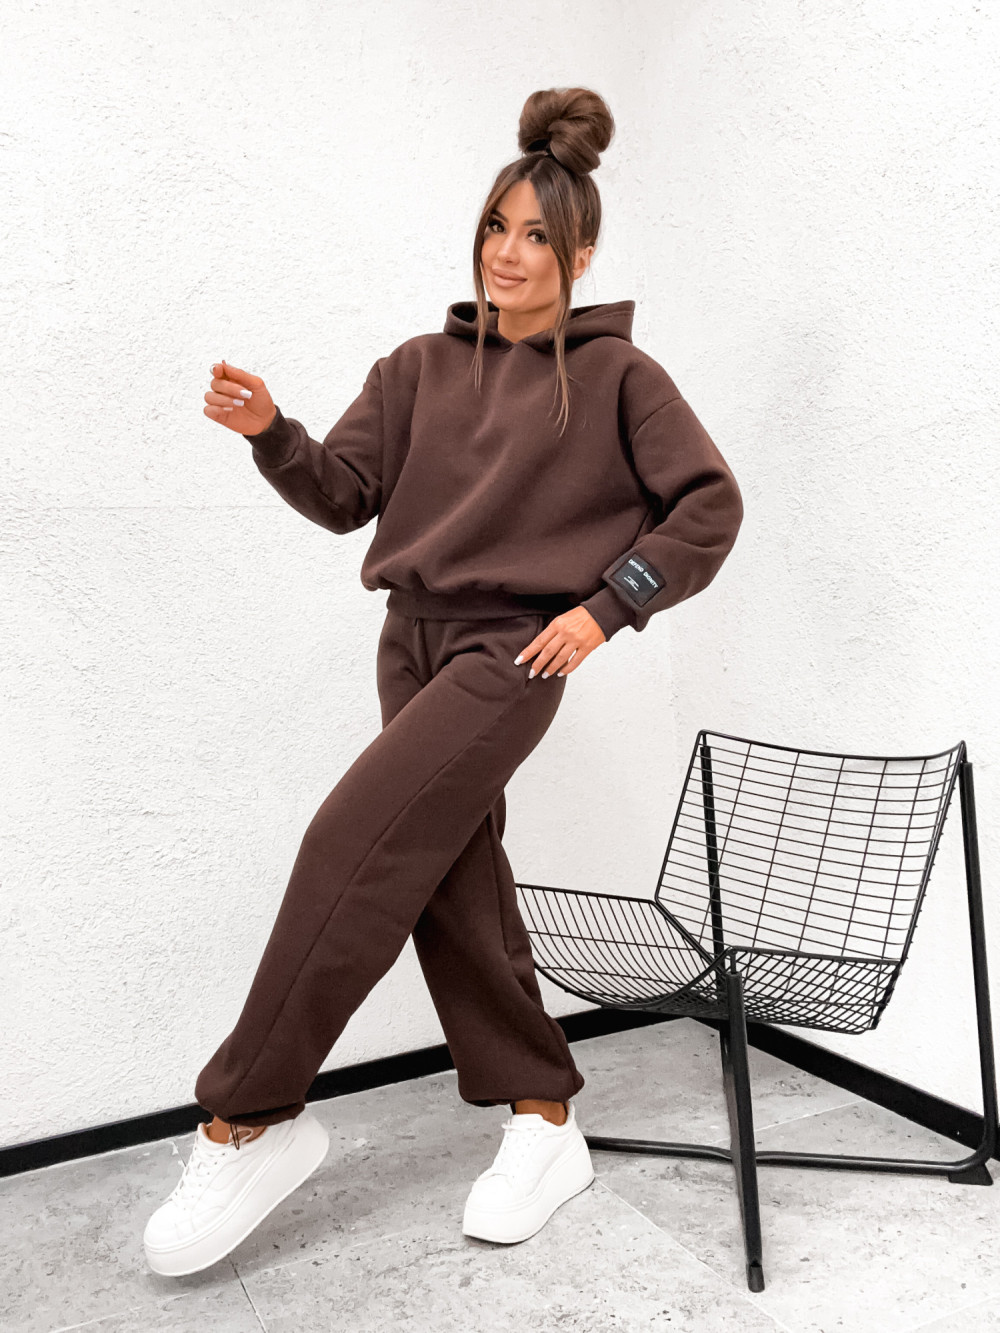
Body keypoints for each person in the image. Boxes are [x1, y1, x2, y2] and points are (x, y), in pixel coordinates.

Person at [143, 85, 744, 1278]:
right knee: (448, 876)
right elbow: (342, 497)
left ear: (580, 255)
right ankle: (543, 1117)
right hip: (407, 642)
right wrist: (273, 431)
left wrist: (603, 608)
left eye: (536, 236)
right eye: (494, 228)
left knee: (350, 843)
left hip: (509, 652)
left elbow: (707, 506)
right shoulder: (415, 366)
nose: (508, 254)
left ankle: (248, 1115)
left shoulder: (620, 376)